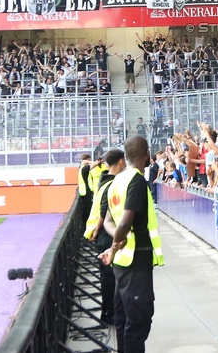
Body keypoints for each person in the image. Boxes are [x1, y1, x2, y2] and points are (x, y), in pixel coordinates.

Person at [100, 136, 164, 353]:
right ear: (146, 153)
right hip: (136, 262)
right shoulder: (136, 181)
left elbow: (109, 222)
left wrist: (114, 245)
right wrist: (116, 243)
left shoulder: (116, 181)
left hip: (122, 263)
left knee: (123, 319)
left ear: (125, 156)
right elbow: (125, 223)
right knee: (138, 321)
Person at [86, 148, 127, 326]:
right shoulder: (112, 184)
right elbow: (105, 209)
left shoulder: (102, 180)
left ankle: (108, 312)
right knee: (110, 278)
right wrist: (97, 230)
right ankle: (109, 314)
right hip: (105, 235)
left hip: (100, 233)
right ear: (120, 161)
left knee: (107, 278)